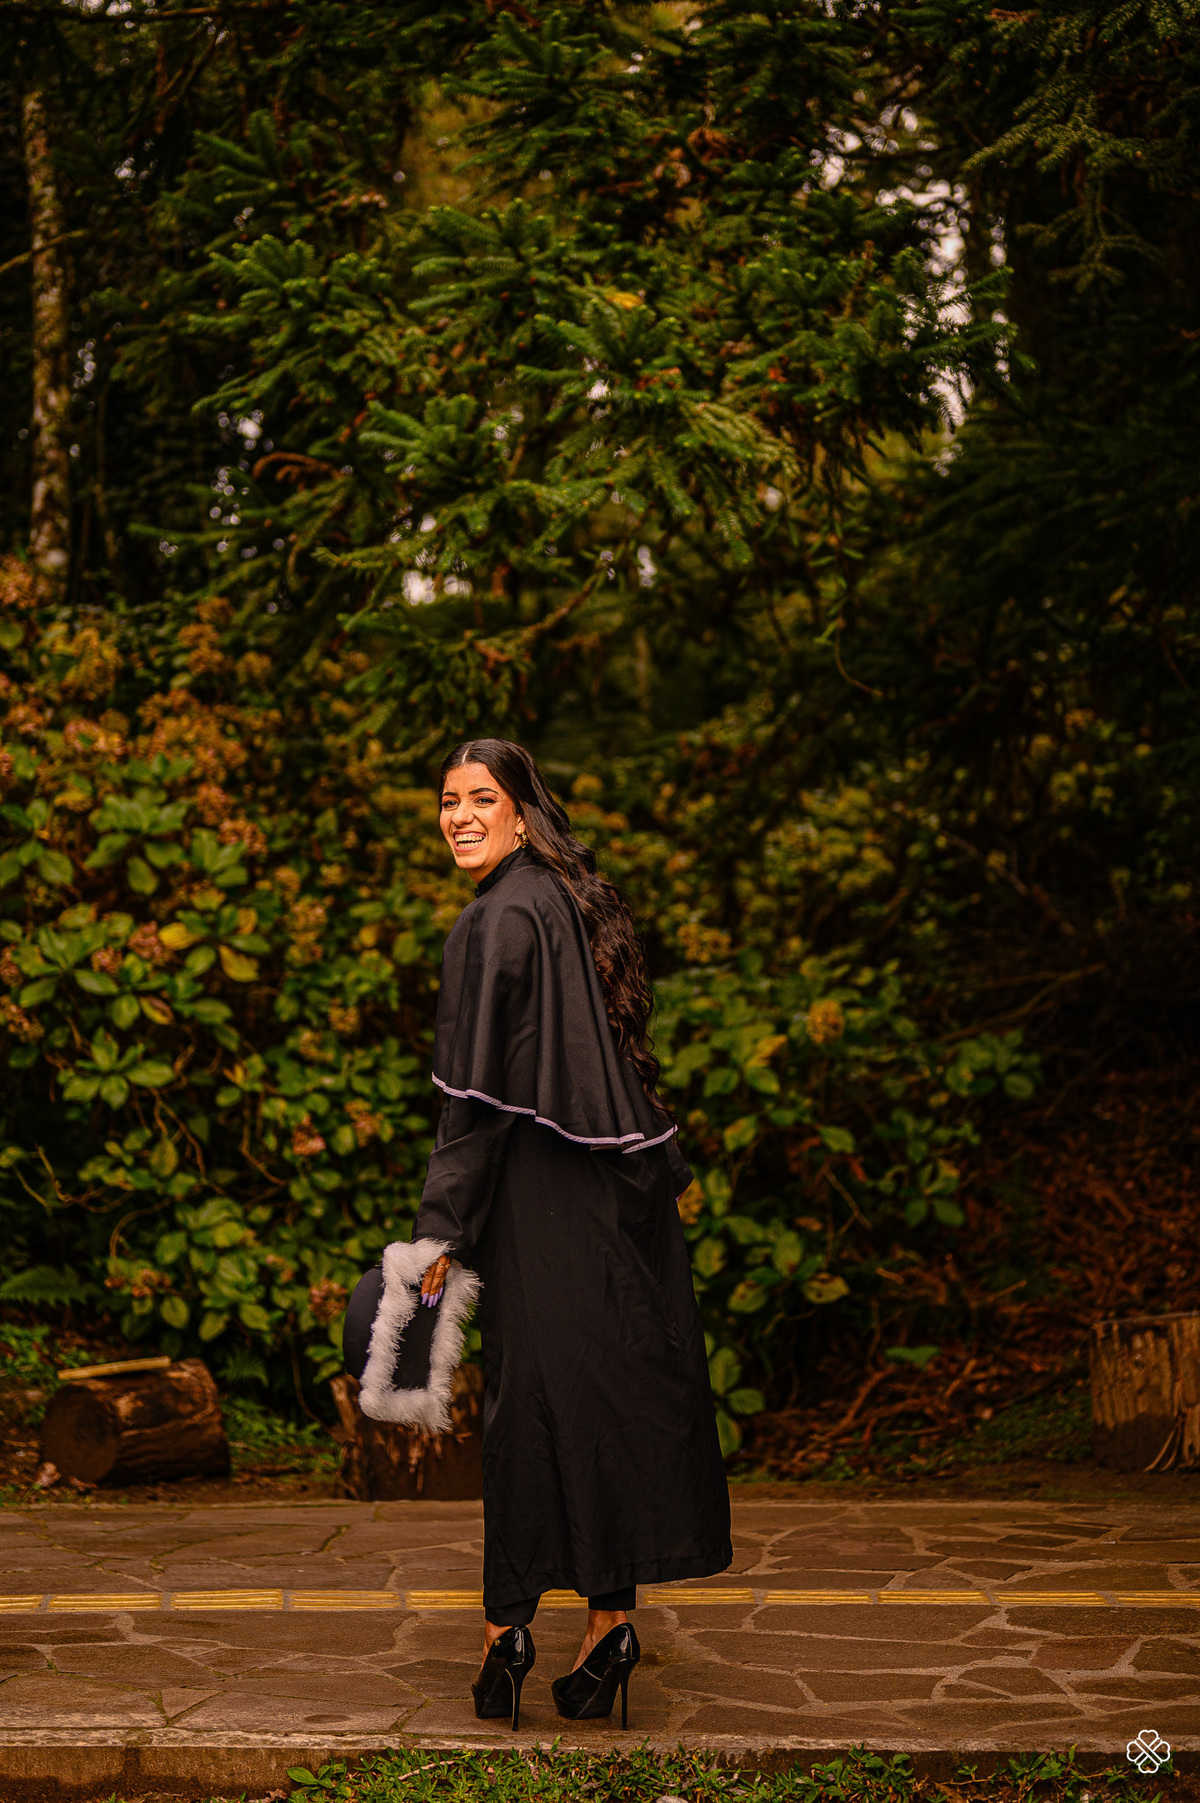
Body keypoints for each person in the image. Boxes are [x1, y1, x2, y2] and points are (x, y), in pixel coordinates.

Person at [412, 738, 731, 1730]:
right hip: (617, 1198)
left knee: (524, 1411)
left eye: (481, 797)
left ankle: (505, 1635)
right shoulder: (563, 901)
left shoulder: (492, 921)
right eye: (447, 800)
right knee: (601, 1404)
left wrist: (437, 1232)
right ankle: (607, 1628)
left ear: (517, 811)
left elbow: (472, 1101)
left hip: (542, 1198)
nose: (461, 814)